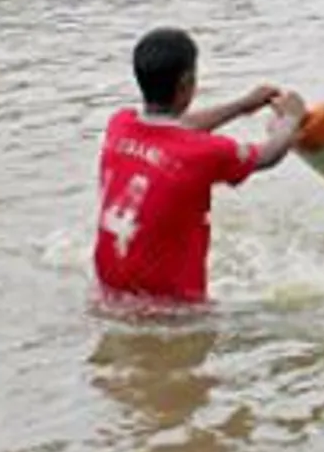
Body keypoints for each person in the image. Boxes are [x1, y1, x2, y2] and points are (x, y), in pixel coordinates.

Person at [93, 27, 306, 304]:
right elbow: (268, 155)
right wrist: (290, 120)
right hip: (172, 311)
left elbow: (180, 128)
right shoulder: (204, 153)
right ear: (186, 84)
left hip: (109, 293)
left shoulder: (119, 125)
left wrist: (242, 105)